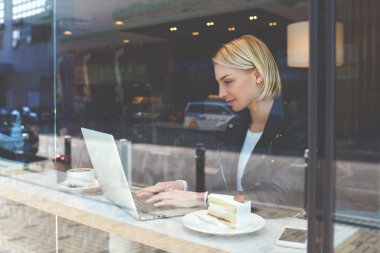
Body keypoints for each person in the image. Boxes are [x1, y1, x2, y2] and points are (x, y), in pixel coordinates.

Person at [136, 35, 307, 209]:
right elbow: (223, 183)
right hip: (234, 227)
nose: (221, 93)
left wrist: (201, 199)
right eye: (219, 83)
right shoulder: (236, 126)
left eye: (228, 81)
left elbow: (280, 198)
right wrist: (183, 186)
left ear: (257, 75)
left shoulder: (296, 127)